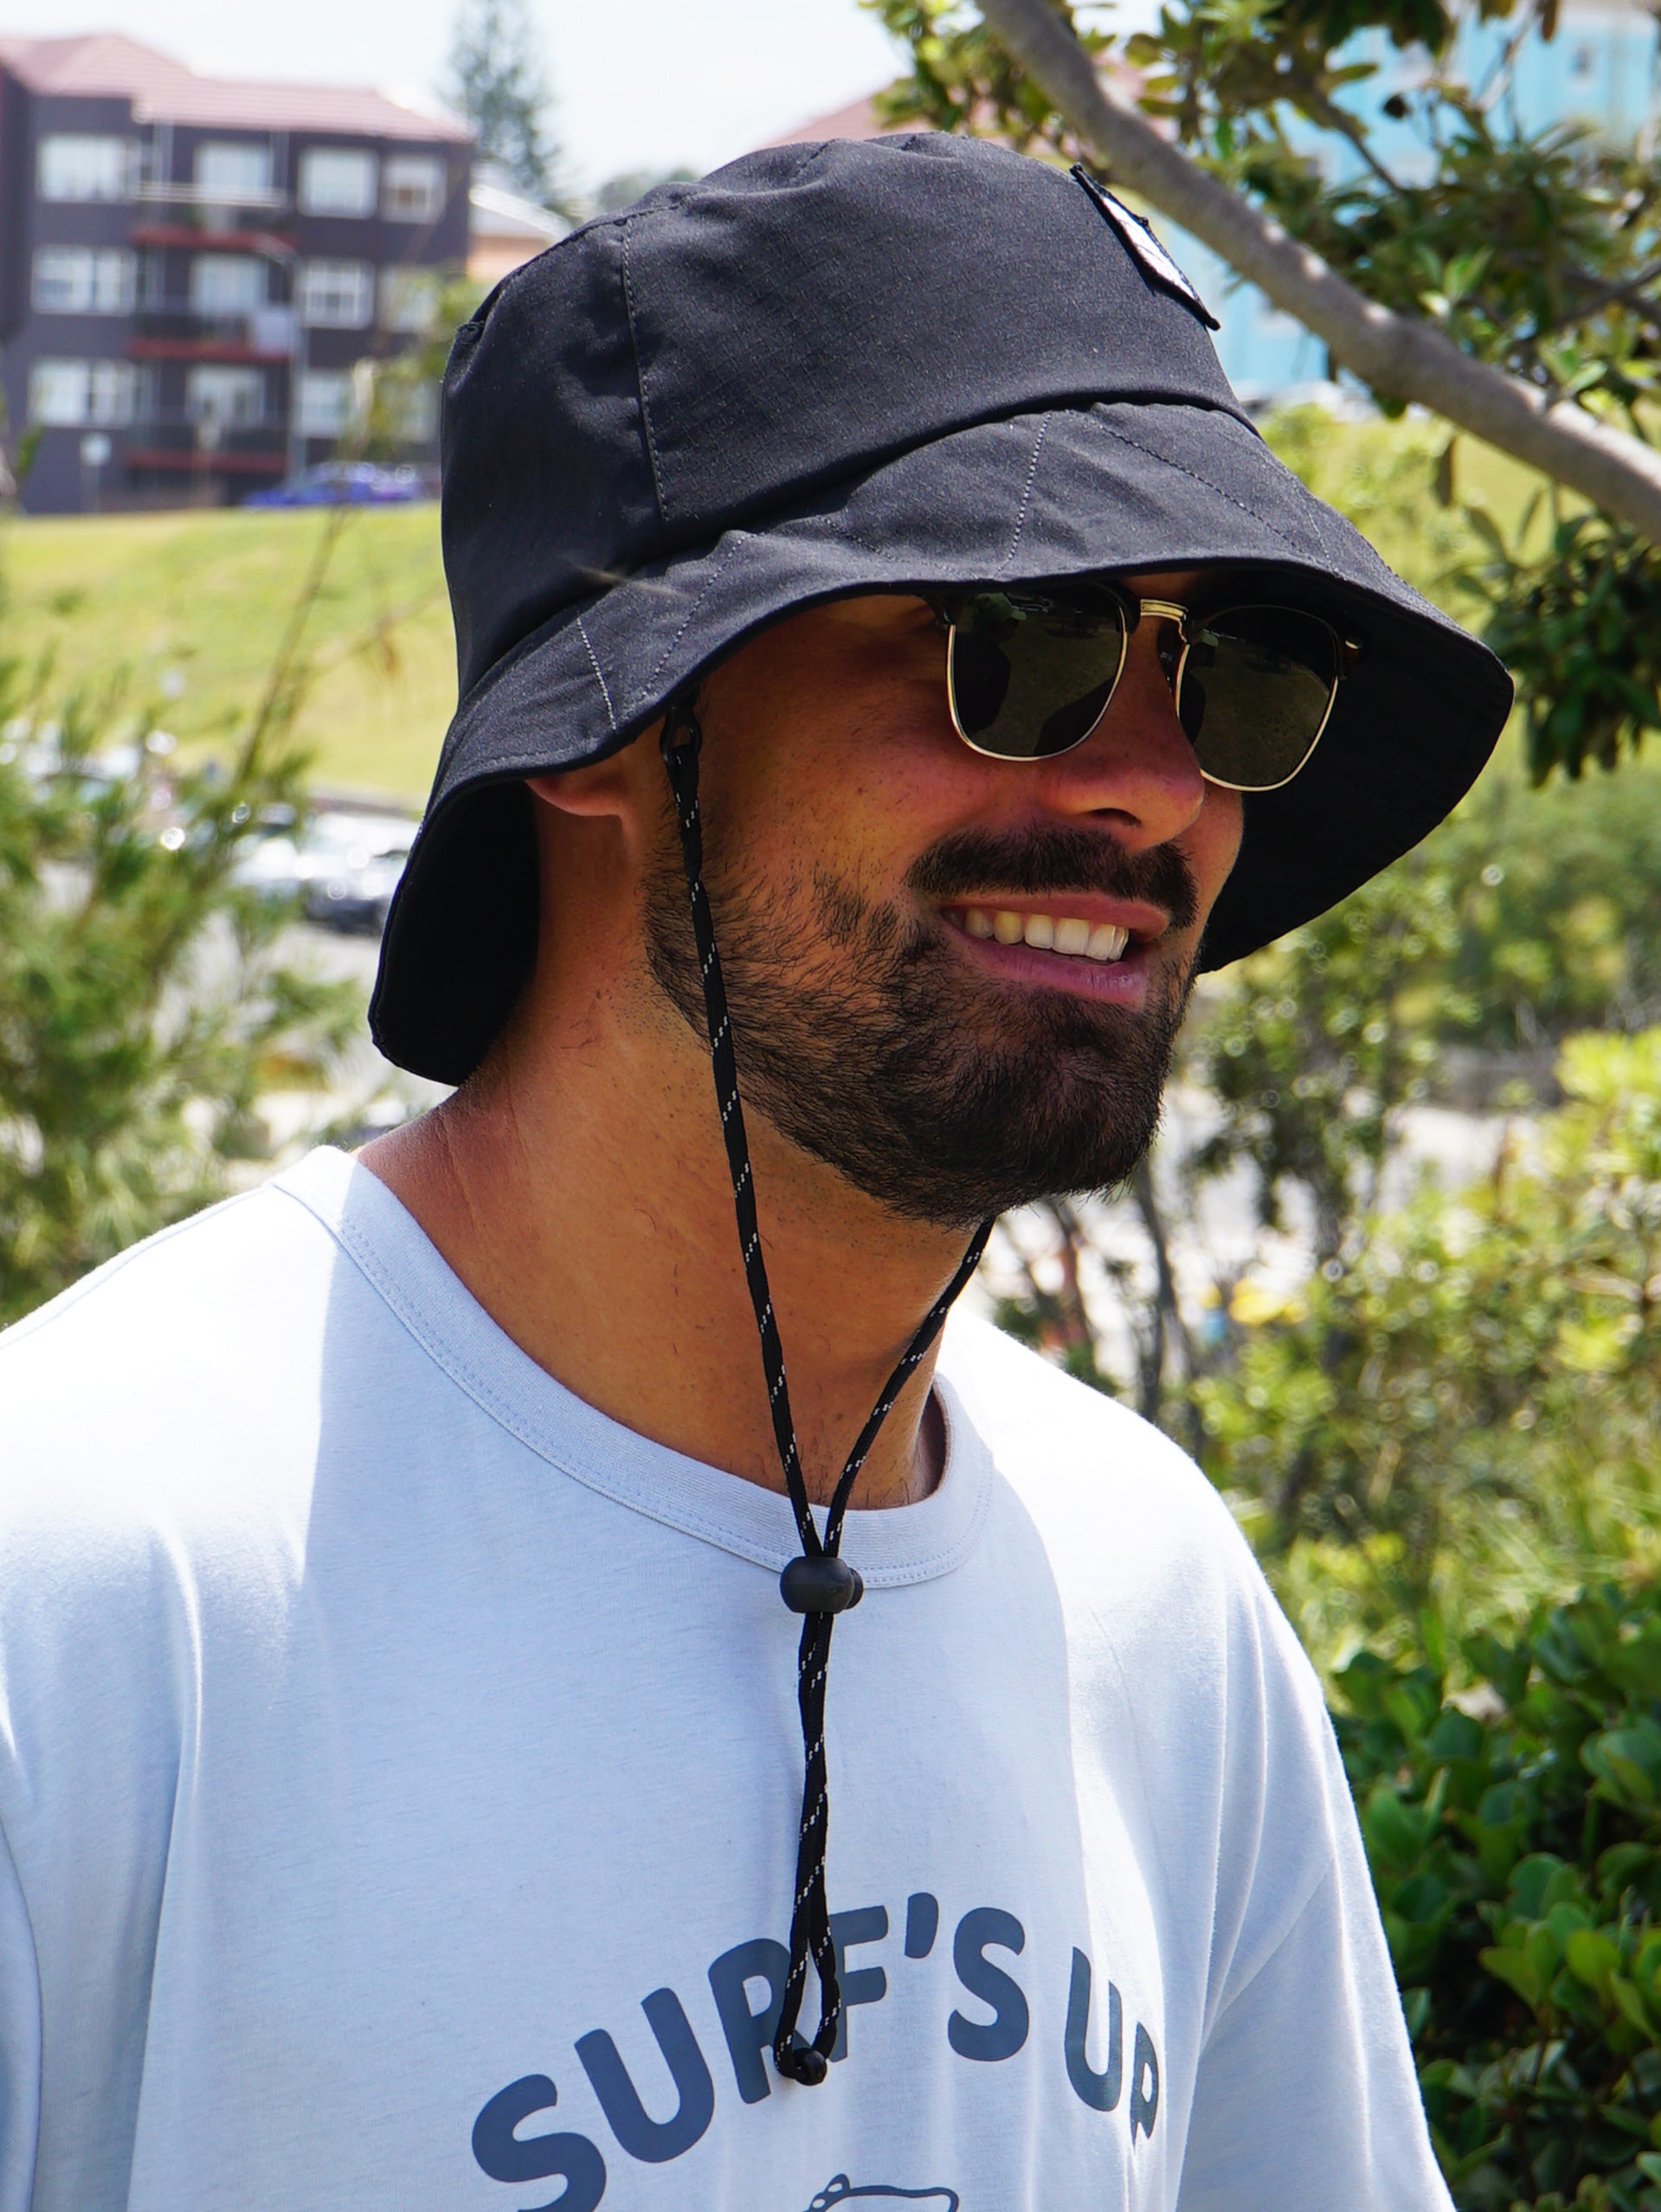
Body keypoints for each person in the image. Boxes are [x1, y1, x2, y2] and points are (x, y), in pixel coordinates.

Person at [0, 135, 1511, 2212]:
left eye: (1239, 670)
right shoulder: (99, 1566)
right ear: (607, 730)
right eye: (1024, 638)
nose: (1155, 788)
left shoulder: (1152, 1598)